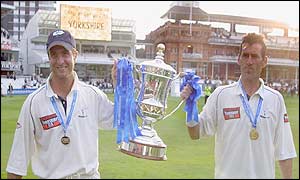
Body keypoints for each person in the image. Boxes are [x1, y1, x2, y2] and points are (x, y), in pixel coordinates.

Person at [180, 33, 297, 179]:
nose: (249, 61)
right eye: (245, 55)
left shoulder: (276, 99)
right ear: (239, 59)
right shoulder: (220, 95)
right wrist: (191, 107)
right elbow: (195, 133)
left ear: (264, 61)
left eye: (254, 56)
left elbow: (285, 151)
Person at [6, 29, 115, 179]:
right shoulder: (33, 102)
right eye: (54, 55)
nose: (60, 61)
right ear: (49, 58)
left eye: (65, 53)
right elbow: (16, 163)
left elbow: (121, 121)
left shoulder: (93, 95)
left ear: (74, 55)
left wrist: (122, 87)